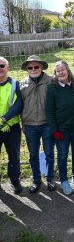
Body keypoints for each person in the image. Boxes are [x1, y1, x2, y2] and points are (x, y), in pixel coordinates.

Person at [45, 61, 74, 196]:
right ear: (55, 74)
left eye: (63, 69)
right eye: (58, 71)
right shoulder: (52, 88)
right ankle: (63, 181)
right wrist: (55, 130)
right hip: (62, 130)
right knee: (62, 155)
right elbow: (49, 111)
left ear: (68, 70)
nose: (61, 72)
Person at [19, 55, 55, 193]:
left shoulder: (51, 81)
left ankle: (50, 178)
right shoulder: (22, 84)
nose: (33, 69)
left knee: (49, 153)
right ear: (27, 69)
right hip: (29, 125)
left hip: (47, 124)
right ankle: (36, 179)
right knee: (33, 154)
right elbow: (19, 105)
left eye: (36, 66)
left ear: (41, 67)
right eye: (30, 67)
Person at [0, 57, 23, 194]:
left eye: (2, 65)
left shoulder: (15, 84)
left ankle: (15, 180)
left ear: (8, 68)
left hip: (12, 127)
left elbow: (19, 103)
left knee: (14, 155)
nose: (0, 68)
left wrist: (5, 119)